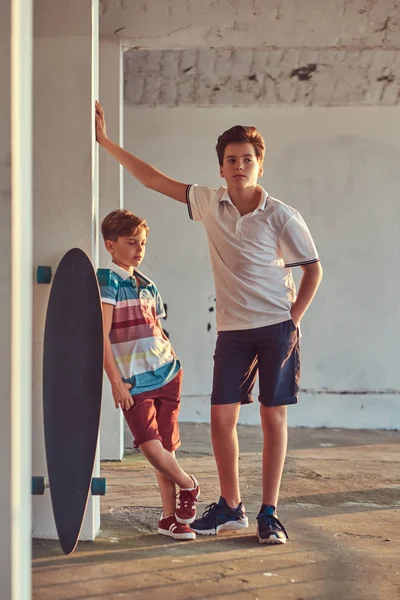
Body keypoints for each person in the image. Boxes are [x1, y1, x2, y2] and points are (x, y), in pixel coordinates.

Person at [95, 101, 323, 544]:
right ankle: (231, 508)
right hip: (232, 331)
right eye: (231, 160)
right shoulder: (207, 201)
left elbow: (313, 270)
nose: (239, 166)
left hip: (276, 327)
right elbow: (153, 178)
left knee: (272, 418)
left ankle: (269, 513)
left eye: (247, 160)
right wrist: (105, 143)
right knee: (222, 420)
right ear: (221, 168)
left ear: (260, 165)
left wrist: (292, 322)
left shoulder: (282, 215)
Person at [100, 208, 200, 541]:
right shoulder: (107, 281)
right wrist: (116, 382)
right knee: (148, 444)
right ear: (110, 245)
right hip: (133, 382)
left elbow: (157, 327)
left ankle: (170, 518)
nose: (139, 249)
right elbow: (100, 335)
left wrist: (171, 360)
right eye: (131, 243)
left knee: (166, 449)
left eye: (142, 242)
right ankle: (190, 484)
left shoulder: (147, 284)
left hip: (168, 373)